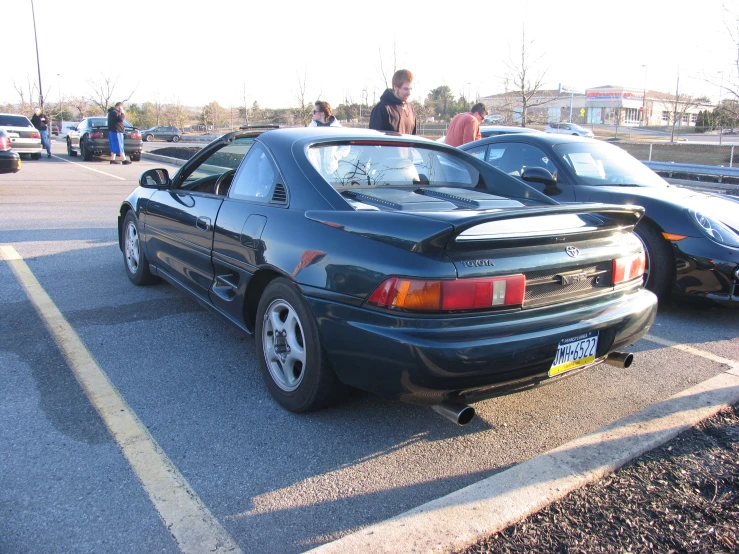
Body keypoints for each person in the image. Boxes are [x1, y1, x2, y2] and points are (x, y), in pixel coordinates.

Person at [369, 69, 416, 134]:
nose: (409, 93)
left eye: (410, 89)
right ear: (395, 87)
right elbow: (374, 139)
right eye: (406, 89)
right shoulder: (382, 109)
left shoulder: (410, 110)